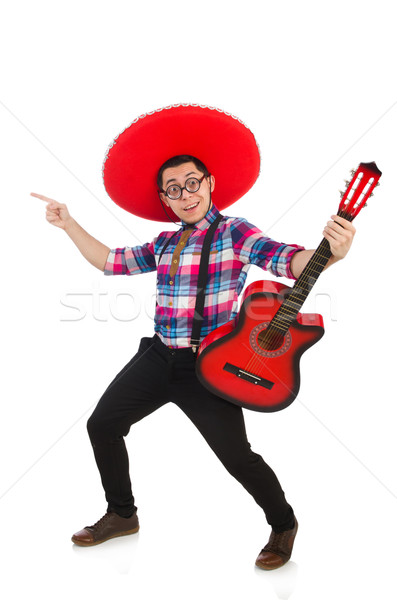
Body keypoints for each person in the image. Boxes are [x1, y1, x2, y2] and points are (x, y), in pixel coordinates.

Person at [32, 105, 355, 570]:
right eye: (173, 190)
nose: (184, 195)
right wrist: (67, 224)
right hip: (160, 357)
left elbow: (289, 261)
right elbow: (108, 260)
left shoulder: (235, 232)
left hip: (211, 368)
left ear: (209, 184)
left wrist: (331, 254)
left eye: (192, 183)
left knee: (237, 457)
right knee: (101, 424)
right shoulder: (164, 243)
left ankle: (283, 523)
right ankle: (122, 515)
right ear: (166, 200)